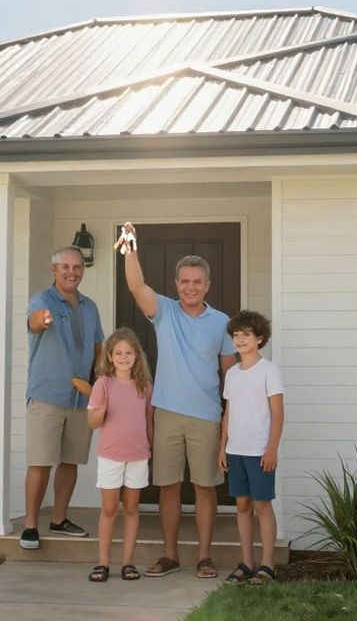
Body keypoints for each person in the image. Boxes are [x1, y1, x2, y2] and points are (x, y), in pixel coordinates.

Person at [120, 222, 236, 579]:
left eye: (197, 281)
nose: (190, 287)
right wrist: (130, 247)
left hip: (207, 416)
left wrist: (229, 422)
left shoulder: (222, 323)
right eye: (185, 281)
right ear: (176, 284)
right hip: (167, 413)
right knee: (168, 487)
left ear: (207, 285)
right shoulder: (165, 312)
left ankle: (204, 557)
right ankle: (169, 555)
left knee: (205, 487)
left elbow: (231, 377)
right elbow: (136, 285)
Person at [21, 245, 104, 550]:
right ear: (54, 270)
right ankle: (31, 526)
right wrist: (41, 320)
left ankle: (59, 519)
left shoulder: (90, 306)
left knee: (70, 461)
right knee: (41, 462)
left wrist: (99, 382)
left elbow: (98, 347)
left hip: (81, 399)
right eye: (66, 267)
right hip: (47, 396)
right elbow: (33, 322)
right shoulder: (42, 300)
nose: (72, 272)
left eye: (77, 267)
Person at [219, 310, 285, 586]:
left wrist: (272, 449)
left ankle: (267, 565)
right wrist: (222, 447)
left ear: (259, 338)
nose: (240, 339)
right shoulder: (232, 374)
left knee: (262, 505)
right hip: (236, 451)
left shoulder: (269, 370)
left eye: (246, 334)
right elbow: (228, 412)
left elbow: (278, 414)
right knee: (242, 505)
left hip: (259, 451)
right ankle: (247, 562)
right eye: (236, 334)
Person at [86, 328, 155, 582]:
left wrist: (151, 447)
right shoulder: (103, 384)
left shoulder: (145, 386)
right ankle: (103, 563)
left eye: (128, 353)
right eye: (118, 353)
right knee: (109, 508)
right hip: (110, 455)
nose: (123, 357)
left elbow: (148, 420)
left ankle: (128, 562)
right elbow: (92, 422)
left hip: (138, 455)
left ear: (136, 356)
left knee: (132, 508)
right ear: (110, 357)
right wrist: (101, 411)